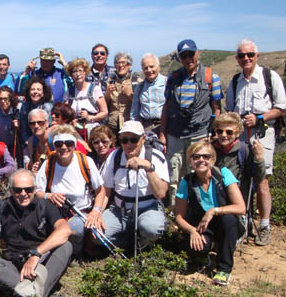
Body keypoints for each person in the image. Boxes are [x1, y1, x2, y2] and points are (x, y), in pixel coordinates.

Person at [225, 39, 286, 246]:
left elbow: (281, 107)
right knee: (241, 180)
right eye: (242, 55)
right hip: (240, 137)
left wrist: (260, 118)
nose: (246, 58)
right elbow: (229, 111)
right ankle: (243, 224)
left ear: (257, 56)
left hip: (262, 135)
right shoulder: (235, 81)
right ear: (237, 58)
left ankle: (264, 226)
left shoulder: (270, 77)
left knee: (261, 181)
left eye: (250, 54)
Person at [0, 169, 72, 297]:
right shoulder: (3, 208)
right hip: (15, 267)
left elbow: (65, 230)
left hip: (41, 264)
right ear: (11, 190)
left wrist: (36, 254)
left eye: (28, 189)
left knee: (66, 246)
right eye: (18, 190)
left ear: (35, 189)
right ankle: (38, 295)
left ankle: (29, 296)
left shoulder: (45, 207)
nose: (23, 194)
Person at [159, 39, 223, 206]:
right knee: (173, 174)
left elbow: (217, 108)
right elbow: (166, 106)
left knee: (197, 172)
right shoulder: (173, 78)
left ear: (198, 54)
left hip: (199, 134)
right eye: (184, 56)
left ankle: (196, 209)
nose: (188, 59)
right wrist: (162, 133)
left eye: (191, 54)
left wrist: (212, 132)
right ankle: (175, 210)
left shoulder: (211, 77)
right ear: (180, 58)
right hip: (175, 134)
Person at [174, 141, 246, 286]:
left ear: (212, 159)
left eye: (206, 156)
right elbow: (179, 217)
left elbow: (240, 207)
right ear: (190, 161)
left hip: (225, 224)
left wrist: (213, 211)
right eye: (196, 157)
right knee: (196, 245)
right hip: (201, 227)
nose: (201, 160)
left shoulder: (223, 174)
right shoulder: (186, 182)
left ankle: (224, 269)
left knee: (229, 219)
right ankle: (204, 254)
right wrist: (192, 231)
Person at [98, 121, 169, 254]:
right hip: (119, 210)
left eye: (134, 139)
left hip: (148, 208)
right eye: (124, 140)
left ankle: (144, 246)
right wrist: (98, 213)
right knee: (97, 234)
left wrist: (148, 167)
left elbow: (161, 193)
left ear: (143, 138)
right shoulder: (114, 157)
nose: (128, 144)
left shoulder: (155, 157)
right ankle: (127, 242)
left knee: (151, 229)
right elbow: (105, 190)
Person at [34, 125, 105, 257]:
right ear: (54, 146)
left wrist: (96, 211)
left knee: (73, 229)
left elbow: (100, 191)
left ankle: (75, 253)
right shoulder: (49, 163)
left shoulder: (85, 162)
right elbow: (37, 191)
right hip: (56, 214)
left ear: (75, 145)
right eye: (59, 144)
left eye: (69, 143)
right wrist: (49, 196)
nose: (64, 147)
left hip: (81, 212)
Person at [213, 112, 265, 212]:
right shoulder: (210, 149)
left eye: (229, 132)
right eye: (220, 131)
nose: (224, 135)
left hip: (237, 202)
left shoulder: (245, 150)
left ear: (238, 133)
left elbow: (258, 178)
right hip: (214, 200)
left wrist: (259, 159)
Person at [66, 58, 109, 141]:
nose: (78, 74)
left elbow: (104, 112)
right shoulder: (69, 92)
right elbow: (65, 111)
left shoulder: (95, 89)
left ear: (85, 73)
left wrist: (90, 117)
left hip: (93, 130)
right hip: (76, 130)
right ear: (71, 75)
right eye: (74, 71)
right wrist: (71, 120)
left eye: (80, 71)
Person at [130, 53, 167, 134]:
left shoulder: (167, 83)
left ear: (158, 67)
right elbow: (134, 112)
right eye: (145, 68)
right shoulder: (139, 87)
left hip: (165, 127)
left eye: (151, 66)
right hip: (146, 128)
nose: (149, 70)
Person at [0, 86, 22, 165]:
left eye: (5, 98)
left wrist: (19, 125)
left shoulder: (18, 109)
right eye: (0, 99)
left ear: (11, 99)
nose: (2, 101)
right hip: (0, 146)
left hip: (17, 146)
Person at [105, 52, 137, 134]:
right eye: (118, 63)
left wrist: (129, 94)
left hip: (130, 125)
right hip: (113, 125)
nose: (120, 65)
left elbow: (140, 105)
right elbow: (105, 105)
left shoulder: (136, 82)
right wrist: (108, 93)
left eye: (123, 62)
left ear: (129, 65)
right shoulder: (109, 82)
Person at [19, 77, 54, 143]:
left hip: (45, 141)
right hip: (29, 141)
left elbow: (50, 127)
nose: (35, 92)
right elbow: (24, 128)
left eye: (38, 89)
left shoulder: (48, 107)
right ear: (29, 92)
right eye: (32, 89)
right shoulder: (25, 106)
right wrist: (27, 141)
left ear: (43, 93)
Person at [23, 108, 52, 174]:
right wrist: (33, 169)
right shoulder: (31, 142)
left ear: (47, 123)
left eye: (40, 122)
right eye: (32, 123)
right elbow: (30, 165)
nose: (36, 126)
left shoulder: (56, 139)